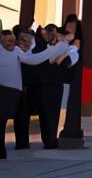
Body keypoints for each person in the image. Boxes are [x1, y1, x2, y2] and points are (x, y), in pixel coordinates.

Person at [1, 28, 70, 158]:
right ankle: (12, 147)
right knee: (7, 119)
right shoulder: (12, 50)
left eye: (26, 40)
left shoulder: (24, 51)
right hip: (10, 89)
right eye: (20, 40)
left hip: (23, 89)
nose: (22, 43)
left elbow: (36, 59)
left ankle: (3, 151)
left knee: (7, 119)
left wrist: (56, 48)